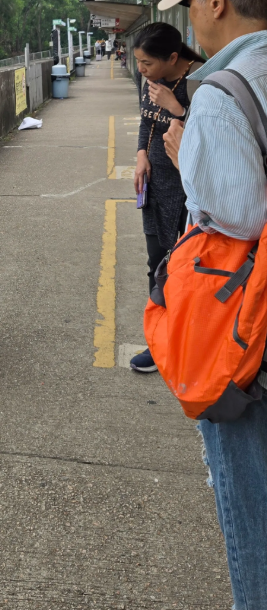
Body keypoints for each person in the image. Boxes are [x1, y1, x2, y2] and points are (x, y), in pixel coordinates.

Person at [158, 0, 267, 610]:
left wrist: (182, 153)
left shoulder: (222, 96)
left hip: (250, 328)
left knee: (249, 482)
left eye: (194, 2)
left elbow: (240, 214)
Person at [130, 22, 204, 373]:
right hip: (156, 188)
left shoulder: (200, 82)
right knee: (157, 264)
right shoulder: (152, 81)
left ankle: (188, 340)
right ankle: (159, 341)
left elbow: (212, 136)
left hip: (192, 193)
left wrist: (177, 108)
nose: (142, 70)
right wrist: (141, 155)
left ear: (173, 58)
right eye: (139, 63)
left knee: (190, 269)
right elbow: (146, 120)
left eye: (147, 63)